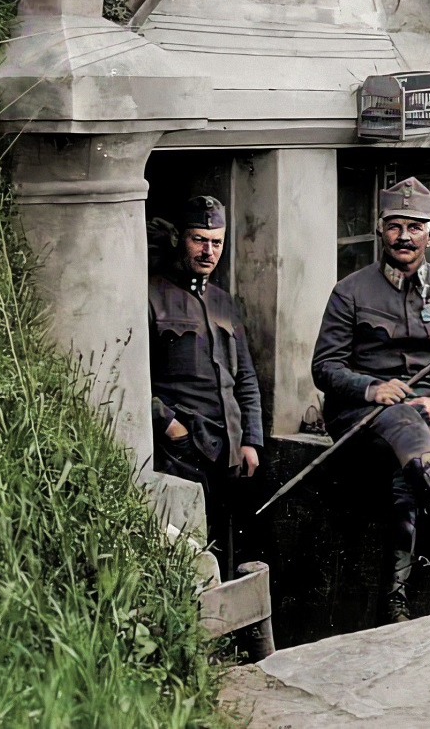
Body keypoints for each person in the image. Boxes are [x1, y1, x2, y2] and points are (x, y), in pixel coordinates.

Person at [310, 177, 430, 624]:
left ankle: (395, 599)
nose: (405, 237)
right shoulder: (351, 291)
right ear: (381, 231)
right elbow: (325, 367)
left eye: (415, 227)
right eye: (395, 226)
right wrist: (371, 388)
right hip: (363, 415)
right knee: (399, 418)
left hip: (425, 418)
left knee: (403, 475)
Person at [148, 194, 265, 575]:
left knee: (227, 550)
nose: (208, 250)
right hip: (182, 453)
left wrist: (251, 440)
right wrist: (169, 425)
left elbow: (244, 376)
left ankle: (225, 633)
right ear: (181, 239)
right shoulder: (151, 296)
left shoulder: (223, 302)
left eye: (216, 242)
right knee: (187, 549)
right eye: (199, 239)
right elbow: (133, 377)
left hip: (228, 452)